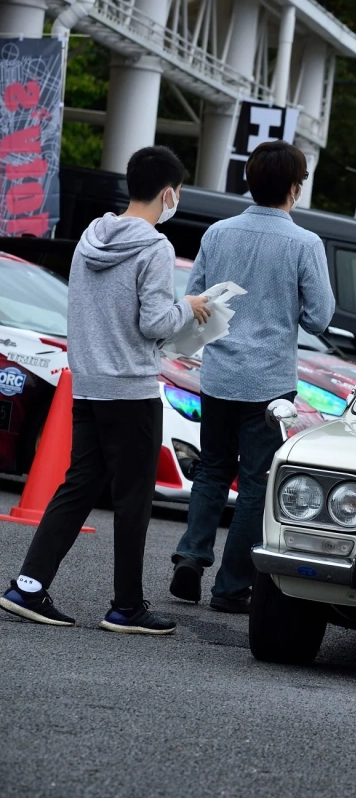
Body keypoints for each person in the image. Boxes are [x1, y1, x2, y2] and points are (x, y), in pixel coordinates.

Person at [0, 146, 210, 634]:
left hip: (89, 383)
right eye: (177, 192)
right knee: (133, 499)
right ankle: (126, 606)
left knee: (78, 487)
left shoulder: (91, 237)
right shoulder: (155, 247)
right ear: (168, 193)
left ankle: (28, 586)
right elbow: (155, 322)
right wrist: (191, 306)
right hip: (131, 388)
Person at [169, 141, 335, 614]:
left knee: (212, 469)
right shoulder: (305, 243)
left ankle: (191, 556)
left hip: (218, 373)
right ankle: (230, 587)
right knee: (256, 482)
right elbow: (320, 317)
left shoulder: (218, 233)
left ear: (251, 180)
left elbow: (196, 299)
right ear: (294, 187)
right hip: (269, 383)